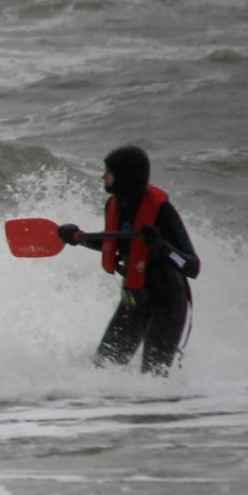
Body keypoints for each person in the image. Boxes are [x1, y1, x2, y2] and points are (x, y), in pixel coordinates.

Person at [57, 146, 201, 375]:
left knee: (154, 377)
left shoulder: (163, 211)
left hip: (168, 303)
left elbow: (192, 267)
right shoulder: (113, 205)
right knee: (102, 370)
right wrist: (77, 238)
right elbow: (112, 243)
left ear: (124, 176)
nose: (103, 176)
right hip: (134, 299)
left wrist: (162, 247)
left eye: (108, 171)